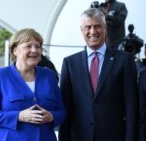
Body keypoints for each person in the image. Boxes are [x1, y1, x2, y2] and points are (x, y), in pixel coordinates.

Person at [58, 8, 138, 141]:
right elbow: (65, 108)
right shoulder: (70, 63)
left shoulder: (124, 60)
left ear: (105, 28)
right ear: (82, 30)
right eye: (88, 27)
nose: (93, 31)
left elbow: (131, 106)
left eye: (97, 26)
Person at [0, 28, 66, 141]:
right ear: (15, 51)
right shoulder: (0, 75)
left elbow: (61, 111)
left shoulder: (49, 75)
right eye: (28, 46)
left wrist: (52, 117)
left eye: (37, 46)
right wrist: (19, 116)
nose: (34, 50)